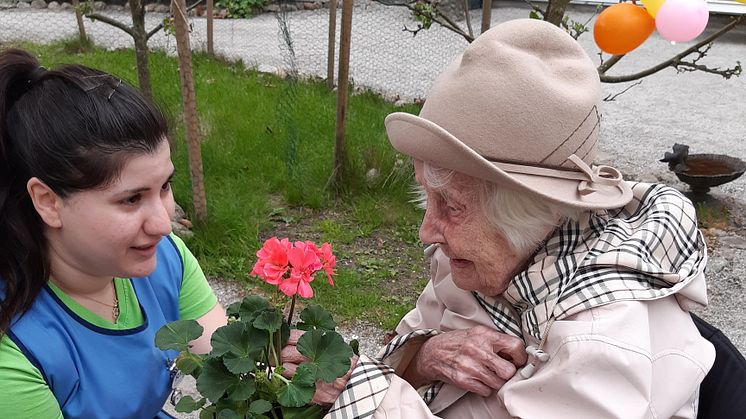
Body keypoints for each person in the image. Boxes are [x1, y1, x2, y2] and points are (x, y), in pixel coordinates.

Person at [283, 18, 723, 419]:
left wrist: (357, 392)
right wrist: (426, 355)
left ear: (529, 214)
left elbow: (381, 390)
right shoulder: (489, 257)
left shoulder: (597, 343)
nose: (426, 231)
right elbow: (407, 356)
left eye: (451, 206)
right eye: (428, 200)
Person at [0, 49, 227, 418]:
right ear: (48, 202)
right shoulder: (15, 356)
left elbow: (230, 362)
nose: (163, 224)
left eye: (165, 187)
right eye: (131, 199)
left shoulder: (166, 260)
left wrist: (285, 364)